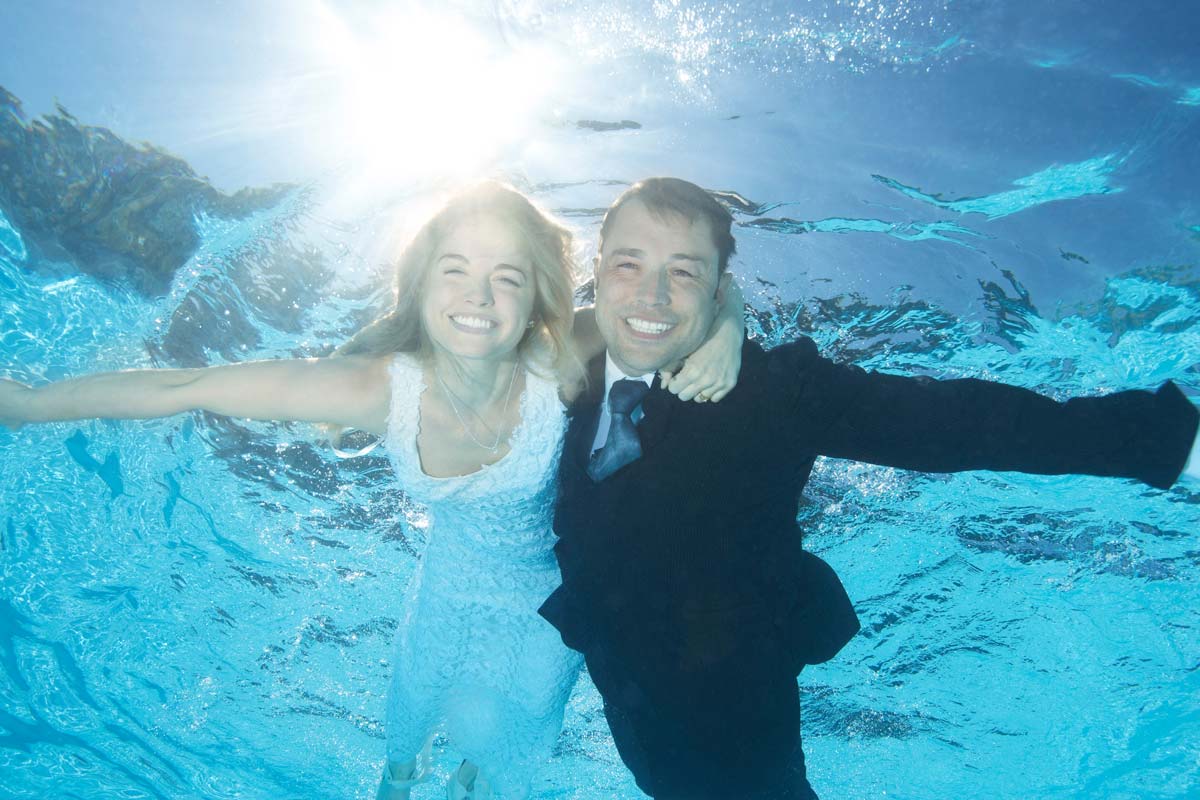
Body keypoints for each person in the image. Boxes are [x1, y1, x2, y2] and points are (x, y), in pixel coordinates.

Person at [0, 182, 745, 799]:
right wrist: (29, 401)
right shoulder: (376, 390)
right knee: (406, 728)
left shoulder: (560, 357)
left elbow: (679, 299)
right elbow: (189, 385)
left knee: (496, 759)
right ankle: (395, 782)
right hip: (448, 593)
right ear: (420, 284)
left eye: (506, 278)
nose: (478, 298)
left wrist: (727, 334)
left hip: (550, 612)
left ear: (535, 295)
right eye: (455, 270)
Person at [539, 177, 1200, 799]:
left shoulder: (776, 392)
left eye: (684, 271)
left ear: (717, 289)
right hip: (624, 683)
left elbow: (962, 423)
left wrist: (1171, 442)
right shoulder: (568, 352)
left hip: (732, 717)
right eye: (628, 264)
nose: (651, 295)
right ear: (597, 271)